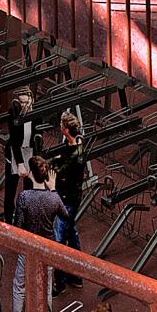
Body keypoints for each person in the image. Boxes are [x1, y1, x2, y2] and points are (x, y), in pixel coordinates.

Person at [10, 158, 70, 312]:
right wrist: (53, 190)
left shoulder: (24, 197)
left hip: (27, 247)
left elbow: (18, 225)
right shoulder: (53, 198)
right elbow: (66, 216)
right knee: (46, 287)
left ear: (31, 174)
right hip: (47, 247)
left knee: (19, 286)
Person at [50, 110, 89, 288]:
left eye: (61, 125)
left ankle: (61, 282)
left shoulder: (71, 154)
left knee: (58, 239)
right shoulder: (79, 144)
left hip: (66, 197)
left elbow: (58, 167)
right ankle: (77, 276)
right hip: (74, 196)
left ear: (66, 130)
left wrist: (55, 160)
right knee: (71, 234)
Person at [0, 80, 42, 222]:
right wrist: (19, 163)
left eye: (26, 102)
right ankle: (8, 219)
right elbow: (14, 141)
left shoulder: (37, 114)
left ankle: (26, 218)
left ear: (32, 100)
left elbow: (38, 138)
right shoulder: (13, 113)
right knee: (10, 191)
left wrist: (34, 164)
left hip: (30, 151)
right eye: (22, 102)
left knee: (29, 190)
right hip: (15, 151)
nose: (24, 105)